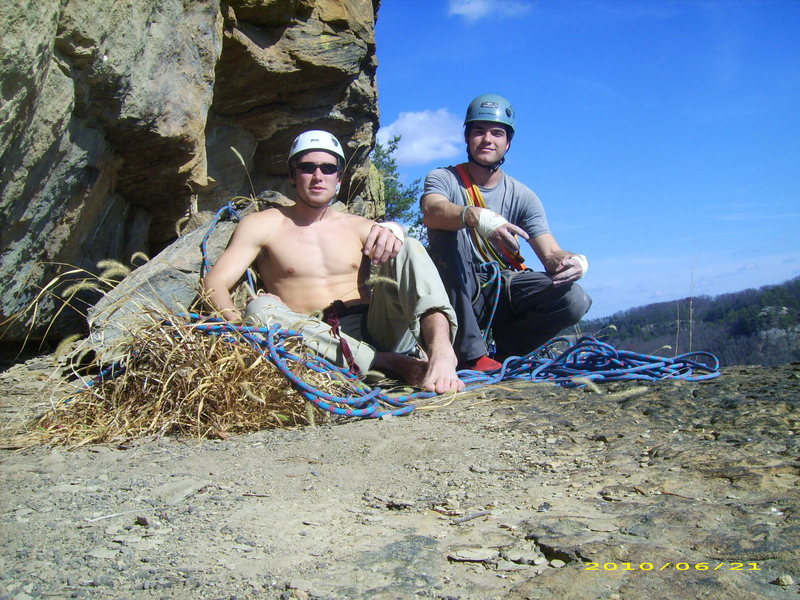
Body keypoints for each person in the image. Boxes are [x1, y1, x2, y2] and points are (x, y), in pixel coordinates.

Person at [202, 130, 464, 394]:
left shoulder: (359, 227)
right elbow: (215, 281)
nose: (318, 176)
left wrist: (394, 229)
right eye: (307, 168)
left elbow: (404, 256)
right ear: (292, 175)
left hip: (375, 329)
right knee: (259, 307)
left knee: (407, 246)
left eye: (328, 169)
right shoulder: (263, 224)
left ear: (338, 178)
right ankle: (384, 363)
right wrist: (238, 325)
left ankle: (441, 351)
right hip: (313, 340)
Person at [421, 94, 592, 371]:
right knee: (443, 231)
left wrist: (573, 262)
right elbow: (432, 210)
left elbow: (550, 253)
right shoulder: (444, 178)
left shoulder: (522, 195)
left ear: (507, 142)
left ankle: (505, 354)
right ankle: (470, 354)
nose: (487, 139)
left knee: (575, 299)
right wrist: (476, 216)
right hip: (458, 286)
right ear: (467, 138)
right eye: (478, 131)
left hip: (502, 286)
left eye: (497, 133)